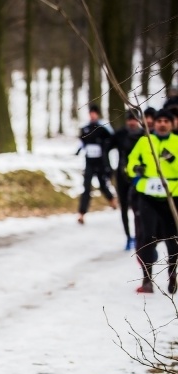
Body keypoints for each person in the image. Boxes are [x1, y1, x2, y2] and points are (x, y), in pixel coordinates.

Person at [126, 108, 178, 294]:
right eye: (159, 121)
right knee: (147, 237)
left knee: (174, 239)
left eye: (166, 121)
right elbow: (130, 162)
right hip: (148, 196)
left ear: (172, 124)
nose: (162, 124)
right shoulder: (144, 141)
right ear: (154, 124)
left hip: (172, 196)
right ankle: (147, 279)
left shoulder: (176, 142)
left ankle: (172, 275)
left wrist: (172, 160)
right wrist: (136, 173)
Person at [108, 110, 144, 250]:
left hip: (139, 176)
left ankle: (140, 235)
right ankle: (129, 237)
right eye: (129, 119)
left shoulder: (144, 135)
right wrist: (108, 167)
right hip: (122, 175)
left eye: (135, 119)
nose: (132, 122)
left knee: (138, 208)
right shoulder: (120, 134)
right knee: (124, 207)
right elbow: (107, 148)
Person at [76, 103, 117, 224]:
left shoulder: (103, 128)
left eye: (94, 112)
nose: (92, 115)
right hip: (89, 162)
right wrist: (78, 151)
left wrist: (105, 149)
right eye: (90, 113)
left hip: (101, 162)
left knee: (102, 185)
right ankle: (81, 213)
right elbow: (82, 141)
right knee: (86, 187)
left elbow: (112, 140)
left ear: (97, 114)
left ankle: (111, 199)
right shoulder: (85, 128)